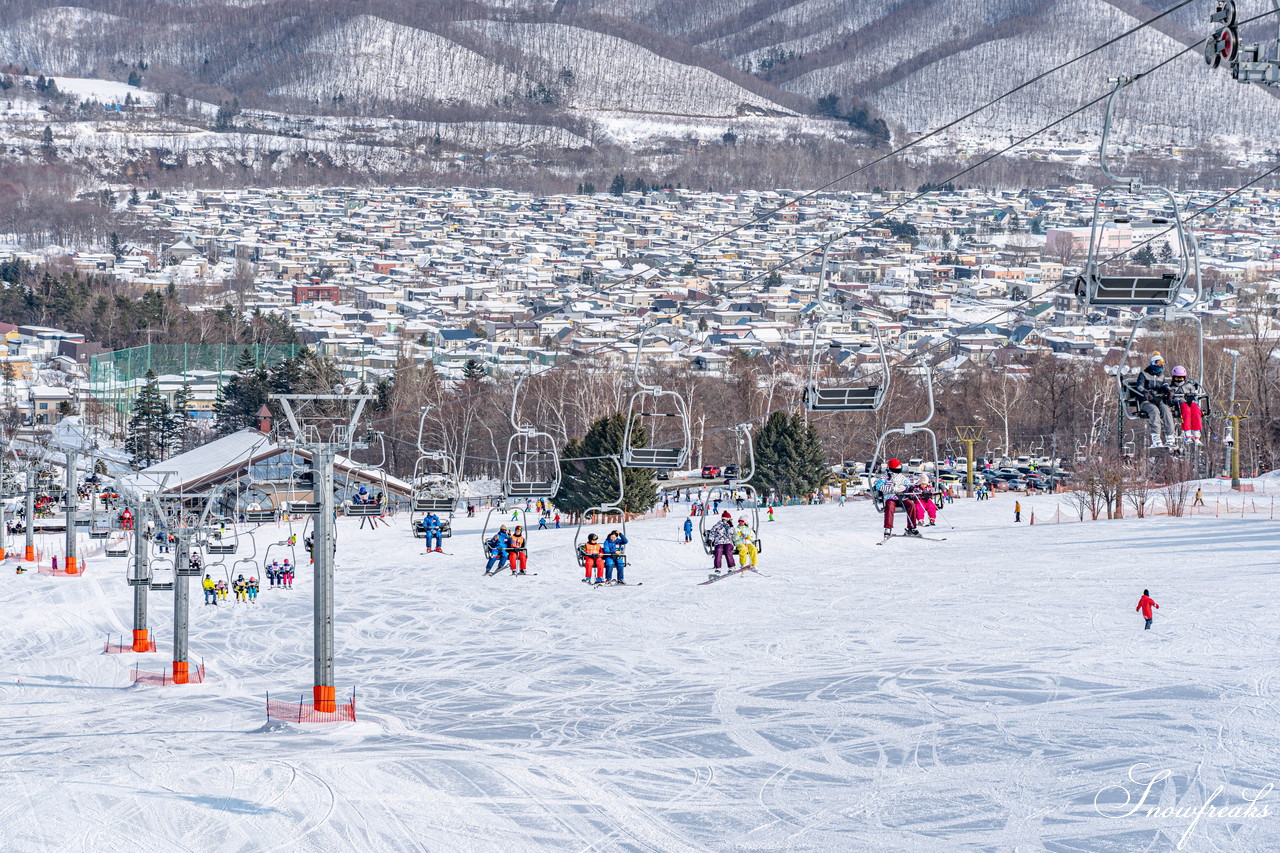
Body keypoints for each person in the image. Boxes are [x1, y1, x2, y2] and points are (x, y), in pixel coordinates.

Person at [1135, 353, 1177, 448]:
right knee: (1154, 411)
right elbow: (1139, 386)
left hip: (1158, 399)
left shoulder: (1161, 376)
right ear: (1153, 363)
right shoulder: (1144, 374)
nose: (1160, 366)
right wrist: (1145, 392)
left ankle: (1170, 437)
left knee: (1166, 411)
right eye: (1158, 363)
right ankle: (1156, 438)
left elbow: (1164, 385)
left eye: (1162, 363)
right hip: (1146, 401)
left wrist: (1169, 390)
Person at [881, 459, 920, 540]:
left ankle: (911, 527)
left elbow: (908, 484)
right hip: (891, 497)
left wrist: (905, 488)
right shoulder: (885, 477)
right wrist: (892, 489)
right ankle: (888, 528)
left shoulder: (901, 477)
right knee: (889, 506)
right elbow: (878, 486)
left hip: (902, 497)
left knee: (912, 505)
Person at [1168, 366, 1205, 445]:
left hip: (1190, 400)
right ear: (1173, 378)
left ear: (1184, 378)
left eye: (1181, 379)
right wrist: (1174, 399)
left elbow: (1194, 394)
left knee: (1196, 410)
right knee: (1186, 410)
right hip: (1180, 402)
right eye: (1177, 379)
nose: (1179, 381)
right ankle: (1187, 433)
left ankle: (1196, 434)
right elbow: (1170, 399)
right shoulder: (1172, 387)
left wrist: (1193, 395)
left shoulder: (1189, 385)